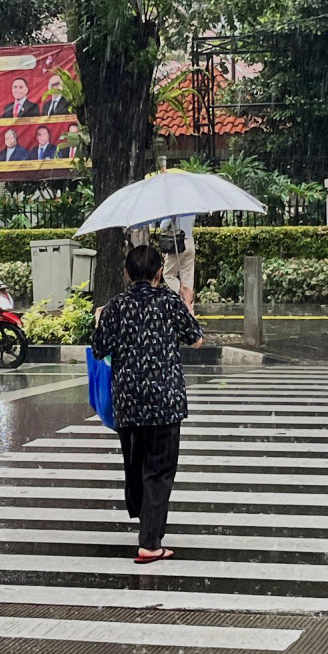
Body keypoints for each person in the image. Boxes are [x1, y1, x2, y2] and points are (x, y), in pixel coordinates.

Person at [91, 245, 204, 563]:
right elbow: (195, 338)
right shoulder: (169, 302)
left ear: (126, 272)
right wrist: (187, 303)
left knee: (136, 466)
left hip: (128, 400)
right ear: (158, 273)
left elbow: (99, 350)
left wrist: (101, 319)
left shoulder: (116, 306)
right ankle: (150, 541)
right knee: (159, 471)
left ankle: (145, 518)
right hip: (165, 401)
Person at [159, 214, 196, 312]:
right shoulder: (190, 206)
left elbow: (164, 225)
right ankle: (190, 310)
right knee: (187, 277)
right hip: (190, 241)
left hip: (177, 242)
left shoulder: (173, 207)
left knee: (168, 274)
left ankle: (182, 297)